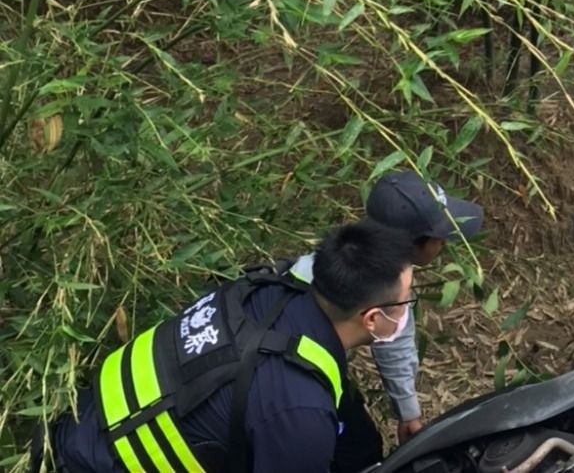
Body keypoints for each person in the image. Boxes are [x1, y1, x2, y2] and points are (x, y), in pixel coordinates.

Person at [48, 220, 416, 472]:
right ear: (372, 318)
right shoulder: (299, 411)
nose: (408, 304)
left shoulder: (265, 291)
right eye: (405, 300)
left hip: (84, 425)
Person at [288, 170, 484, 469]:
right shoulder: (355, 286)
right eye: (439, 237)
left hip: (311, 367)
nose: (443, 244)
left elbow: (394, 335)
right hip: (294, 378)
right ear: (415, 244)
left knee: (361, 446)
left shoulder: (365, 260)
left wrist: (408, 412)